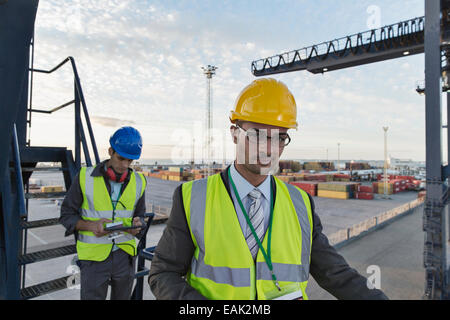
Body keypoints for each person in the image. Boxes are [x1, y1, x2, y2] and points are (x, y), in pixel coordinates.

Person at [148, 78, 388, 300]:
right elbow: (162, 275)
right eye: (257, 135)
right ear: (234, 134)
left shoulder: (300, 203)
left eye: (280, 137)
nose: (269, 149)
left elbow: (336, 274)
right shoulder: (193, 198)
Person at [60, 126, 147, 300]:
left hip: (125, 257)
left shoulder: (139, 182)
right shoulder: (84, 177)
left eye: (130, 161)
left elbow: (141, 217)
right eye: (121, 158)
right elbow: (66, 215)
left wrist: (137, 226)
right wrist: (90, 225)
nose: (124, 166)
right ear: (110, 151)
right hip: (93, 259)